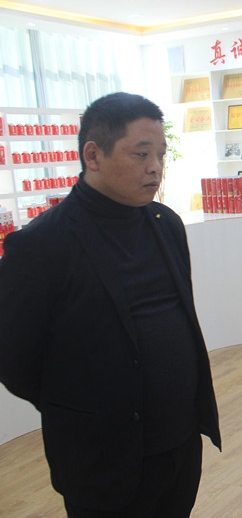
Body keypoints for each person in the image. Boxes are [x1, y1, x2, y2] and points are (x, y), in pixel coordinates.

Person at [0, 92, 221, 517]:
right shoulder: (42, 245)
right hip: (103, 463)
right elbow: (13, 360)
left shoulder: (167, 225)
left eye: (161, 154)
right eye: (141, 154)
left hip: (180, 447)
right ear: (93, 155)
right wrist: (81, 408)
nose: (155, 166)